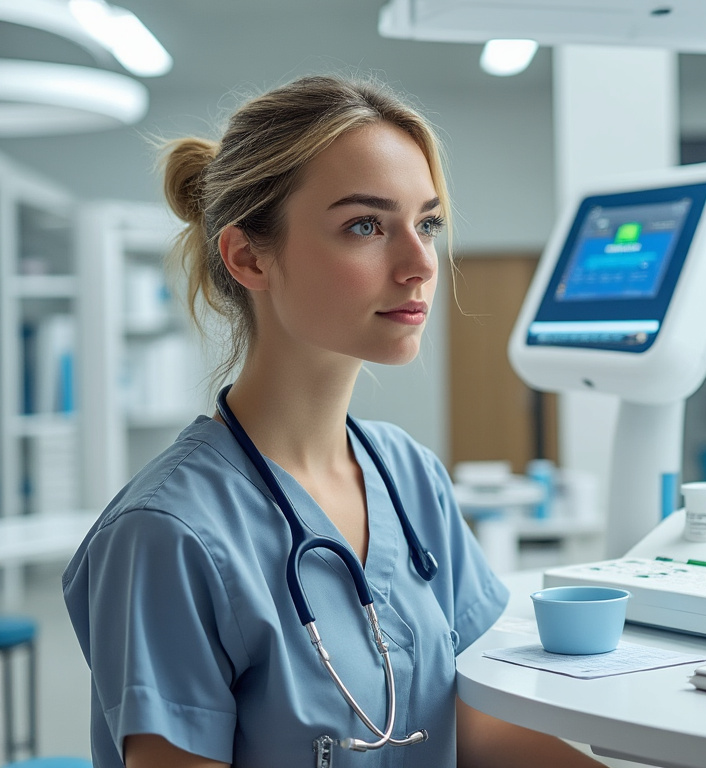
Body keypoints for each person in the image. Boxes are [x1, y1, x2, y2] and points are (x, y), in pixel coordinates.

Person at [62, 75, 604, 768]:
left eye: (428, 223)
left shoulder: (407, 475)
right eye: (365, 226)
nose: (418, 264)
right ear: (249, 257)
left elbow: (478, 725)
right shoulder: (166, 535)